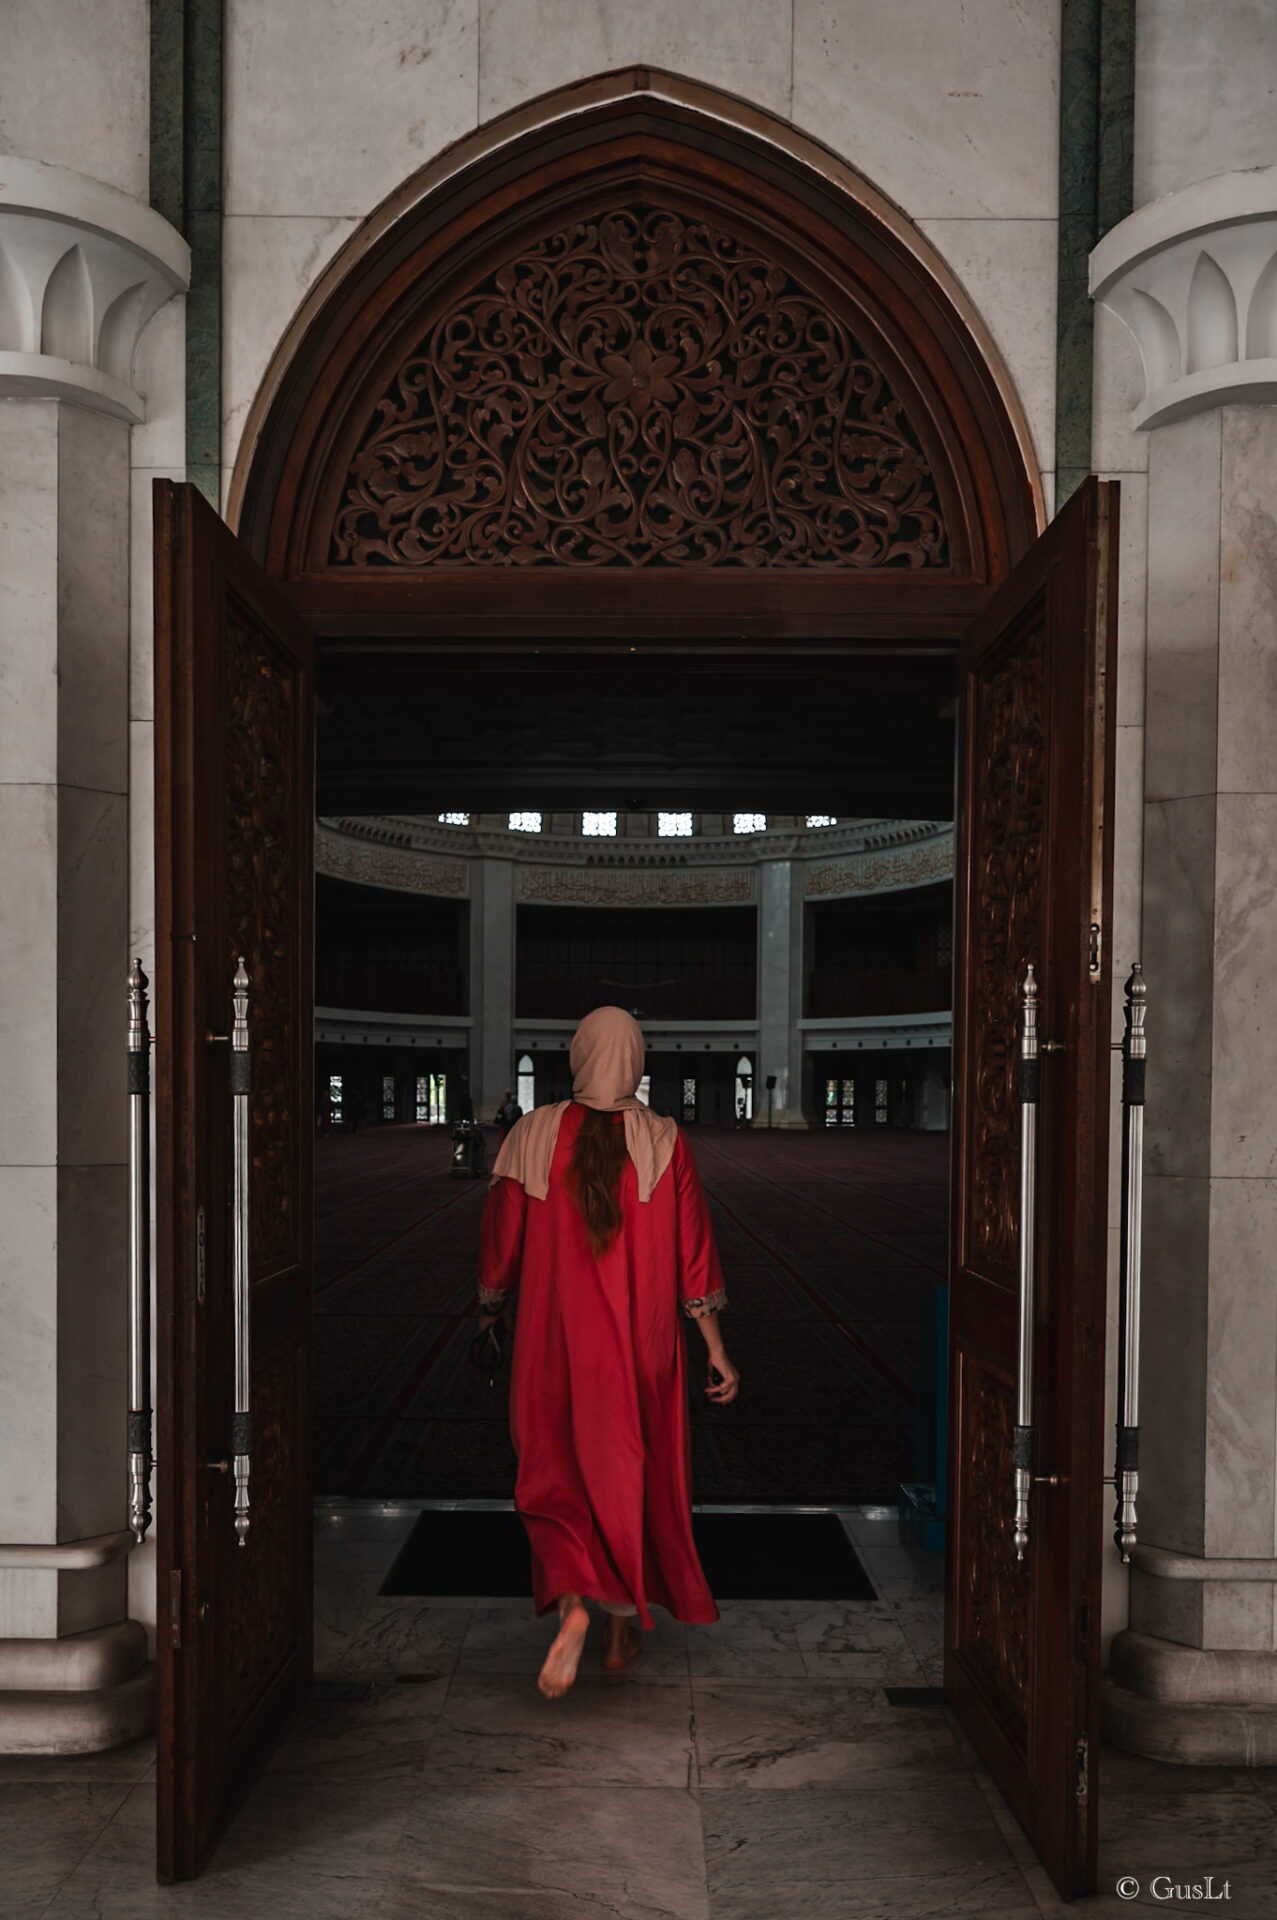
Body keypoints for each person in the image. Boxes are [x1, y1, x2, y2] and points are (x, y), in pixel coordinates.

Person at [476, 1005, 739, 1699]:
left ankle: (571, 1608)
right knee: (629, 1478)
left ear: (578, 1055)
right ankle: (621, 1636)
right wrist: (714, 1348)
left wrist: (488, 1311)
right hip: (638, 1354)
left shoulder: (532, 1134)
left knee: (552, 1473)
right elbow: (694, 1257)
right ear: (637, 1061)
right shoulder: (664, 1140)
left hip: (551, 1346)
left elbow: (500, 1245)